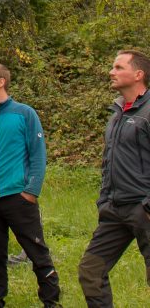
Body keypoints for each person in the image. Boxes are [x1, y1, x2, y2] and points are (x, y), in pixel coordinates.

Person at [0, 62, 60, 308]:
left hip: (17, 198)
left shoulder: (25, 114)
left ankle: (52, 302)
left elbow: (38, 155)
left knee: (37, 254)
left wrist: (30, 191)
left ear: (1, 82)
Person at [78, 49, 150, 306]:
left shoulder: (148, 112)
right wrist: (104, 201)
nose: (112, 71)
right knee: (91, 271)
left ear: (138, 74)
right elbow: (108, 162)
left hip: (144, 209)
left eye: (119, 67)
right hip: (115, 210)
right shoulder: (116, 114)